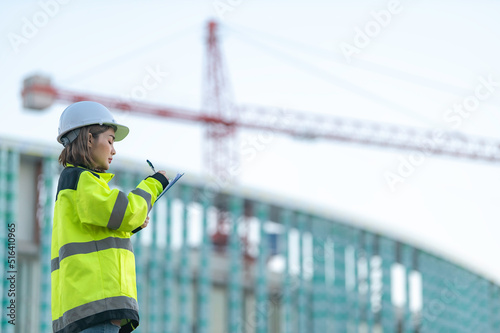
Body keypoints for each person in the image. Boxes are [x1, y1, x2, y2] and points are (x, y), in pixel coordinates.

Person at [51, 101, 169, 333]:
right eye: (110, 141)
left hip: (86, 311)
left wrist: (128, 227)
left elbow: (94, 232)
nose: (113, 150)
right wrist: (154, 185)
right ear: (88, 139)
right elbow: (125, 212)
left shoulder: (74, 184)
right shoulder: (81, 179)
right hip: (96, 311)